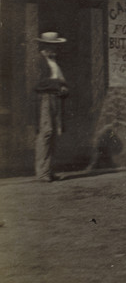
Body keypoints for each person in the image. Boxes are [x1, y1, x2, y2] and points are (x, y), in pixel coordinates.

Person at [33, 31, 70, 182]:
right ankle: (42, 172)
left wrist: (64, 89)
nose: (55, 49)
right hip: (44, 100)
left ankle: (49, 170)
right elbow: (38, 83)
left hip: (55, 99)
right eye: (52, 46)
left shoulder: (54, 62)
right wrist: (58, 86)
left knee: (53, 133)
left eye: (56, 46)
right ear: (45, 46)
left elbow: (62, 82)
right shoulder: (38, 61)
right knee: (46, 133)